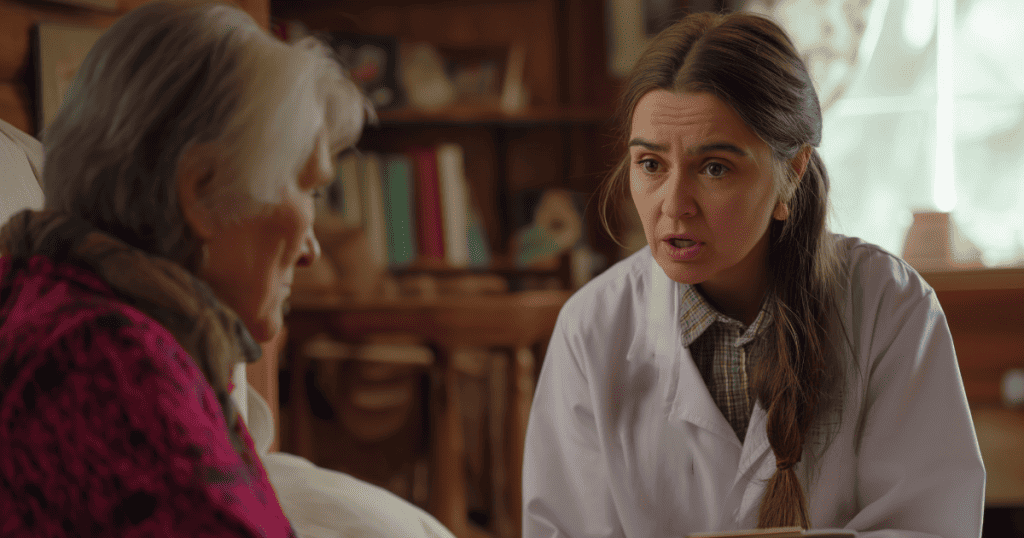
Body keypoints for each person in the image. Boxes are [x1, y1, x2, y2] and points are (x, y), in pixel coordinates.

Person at [522, 10, 985, 538]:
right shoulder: (591, 328)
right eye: (651, 165)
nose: (673, 205)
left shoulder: (890, 307)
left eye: (714, 167)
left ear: (791, 173)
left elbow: (932, 526)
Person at [0, 1, 371, 534]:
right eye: (305, 187)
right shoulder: (110, 363)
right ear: (200, 192)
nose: (311, 249)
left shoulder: (61, 302)